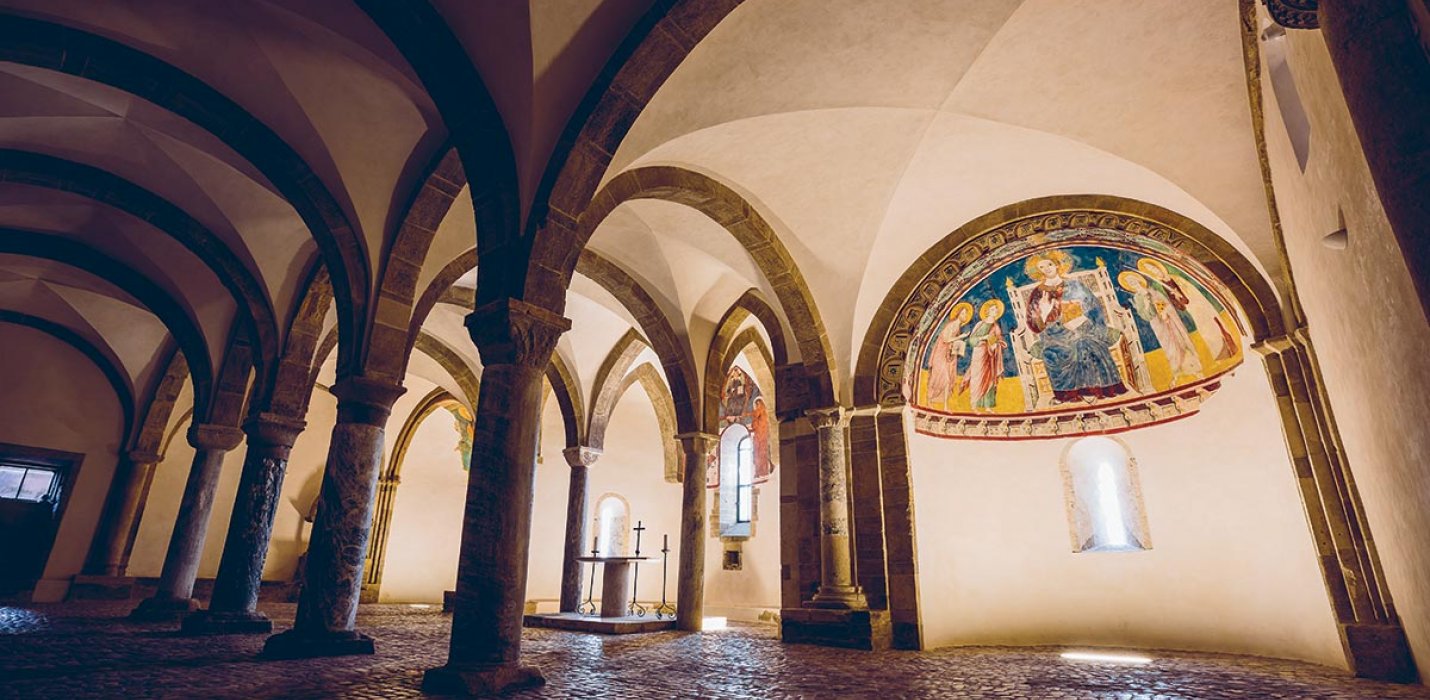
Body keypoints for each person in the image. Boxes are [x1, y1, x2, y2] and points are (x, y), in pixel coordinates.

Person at [1024, 251, 1128, 403]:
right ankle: (1069, 394)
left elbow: (1092, 305)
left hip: (1083, 325)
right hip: (1054, 332)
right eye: (1042, 267)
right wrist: (1045, 314)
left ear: (1058, 265)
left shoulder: (1075, 285)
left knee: (1088, 342)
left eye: (1050, 264)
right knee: (1060, 351)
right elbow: (1032, 319)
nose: (1047, 269)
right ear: (1038, 271)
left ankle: (1098, 389)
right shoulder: (1038, 292)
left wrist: (1083, 317)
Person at [1137, 258, 1237, 361]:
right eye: (1152, 271)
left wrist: (1181, 296)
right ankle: (1221, 353)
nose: (1155, 272)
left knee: (1214, 324)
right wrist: (1176, 301)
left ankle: (1230, 346)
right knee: (1205, 329)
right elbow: (1170, 302)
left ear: (1159, 268)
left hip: (1199, 304)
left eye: (1155, 269)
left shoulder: (1176, 278)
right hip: (1192, 309)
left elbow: (1189, 292)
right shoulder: (1162, 286)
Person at [1120, 270, 1202, 382]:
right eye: (1130, 283)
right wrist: (1147, 304)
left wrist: (1164, 312)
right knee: (1169, 347)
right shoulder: (1137, 298)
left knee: (1180, 340)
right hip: (1157, 324)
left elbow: (1163, 301)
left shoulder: (1152, 290)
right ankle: (1177, 372)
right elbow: (1144, 315)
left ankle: (1195, 369)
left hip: (1170, 319)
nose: (1134, 283)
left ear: (1139, 279)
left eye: (1134, 280)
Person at [924, 302, 972, 409]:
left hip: (950, 356)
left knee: (949, 380)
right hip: (941, 355)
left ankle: (945, 406)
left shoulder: (958, 326)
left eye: (966, 314)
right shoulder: (952, 325)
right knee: (939, 378)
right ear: (958, 314)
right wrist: (961, 337)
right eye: (963, 313)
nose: (965, 316)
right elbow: (946, 339)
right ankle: (929, 400)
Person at [963, 299, 1007, 411]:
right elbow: (971, 340)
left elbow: (998, 340)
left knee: (989, 380)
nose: (996, 311)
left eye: (997, 309)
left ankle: (987, 406)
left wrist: (997, 344)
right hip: (979, 353)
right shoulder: (980, 324)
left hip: (990, 355)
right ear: (987, 311)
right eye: (993, 309)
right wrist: (983, 338)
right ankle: (974, 404)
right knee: (977, 378)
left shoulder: (996, 327)